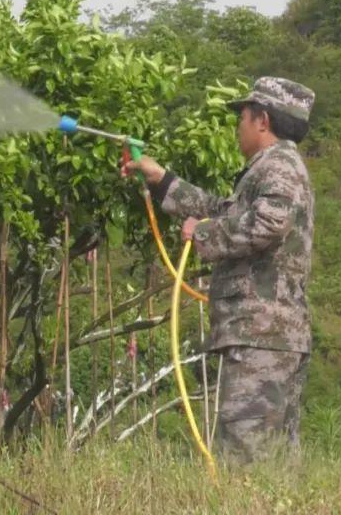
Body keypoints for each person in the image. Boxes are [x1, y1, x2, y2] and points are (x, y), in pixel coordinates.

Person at [126, 76, 316, 464]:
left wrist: (205, 234)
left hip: (261, 334)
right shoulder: (271, 167)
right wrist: (162, 180)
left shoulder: (279, 165)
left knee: (246, 459)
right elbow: (225, 212)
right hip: (269, 335)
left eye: (242, 117)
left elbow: (267, 223)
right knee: (273, 463)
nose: (237, 126)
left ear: (262, 120)